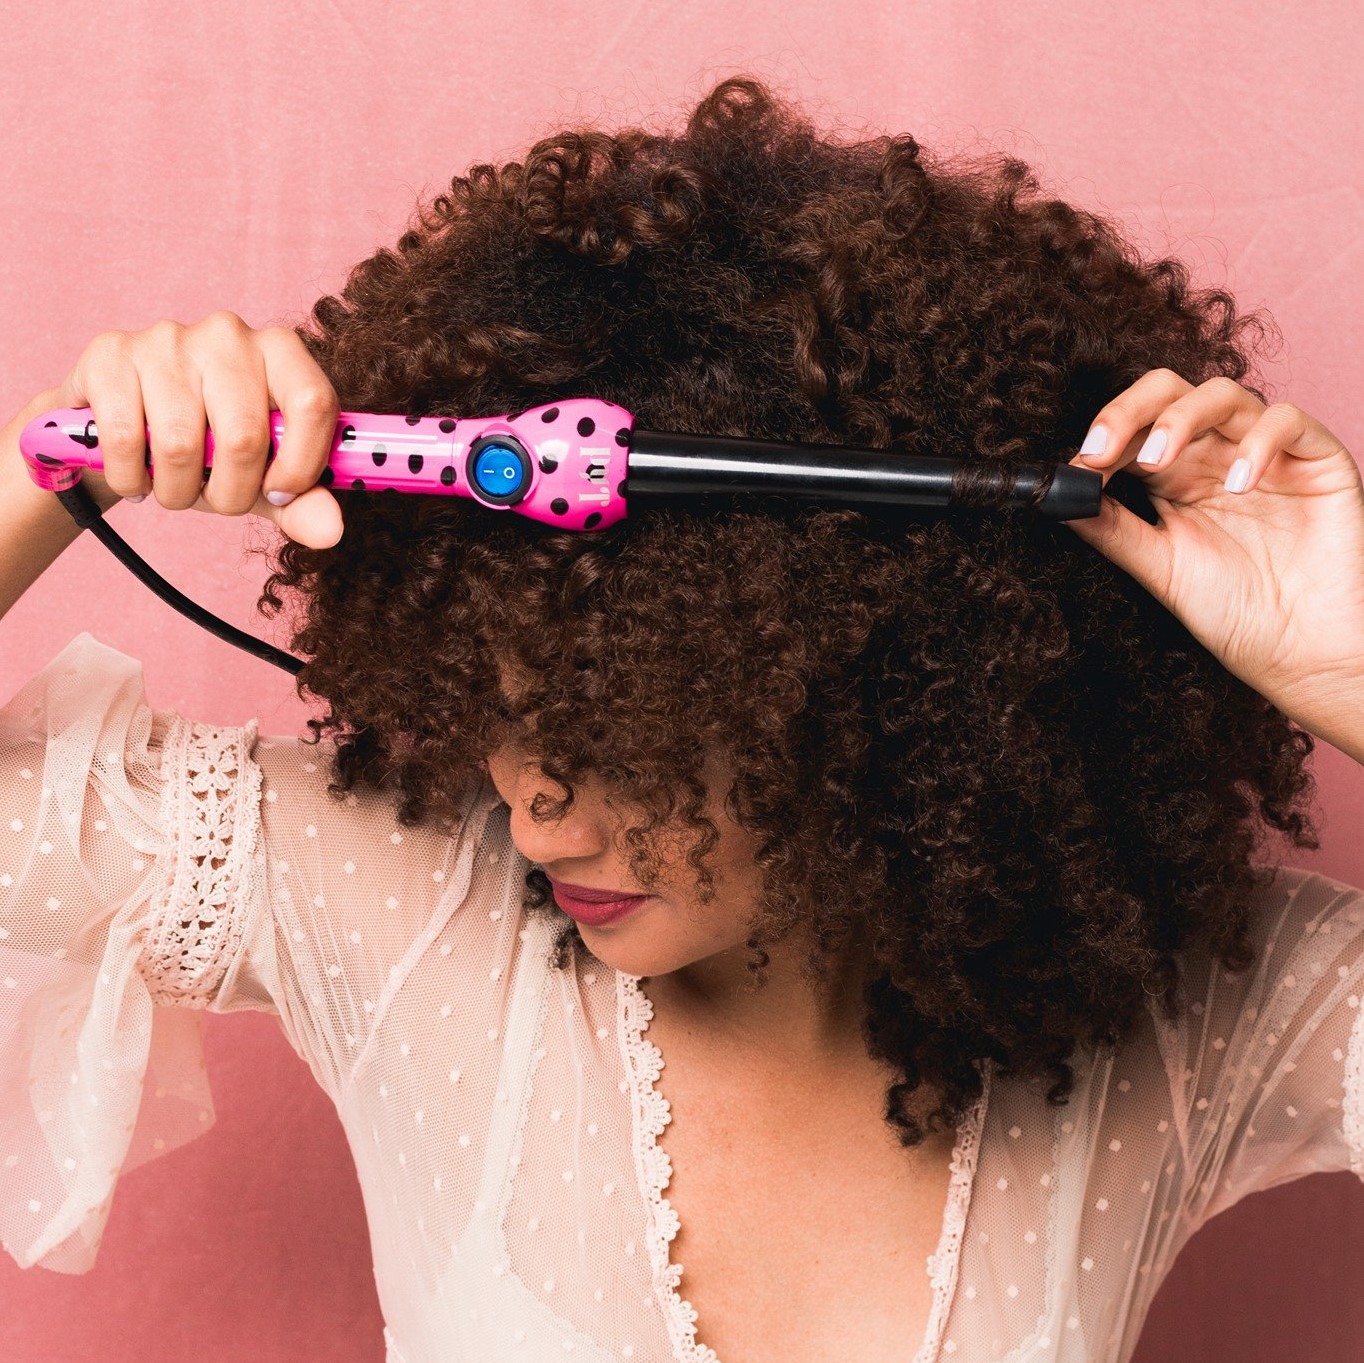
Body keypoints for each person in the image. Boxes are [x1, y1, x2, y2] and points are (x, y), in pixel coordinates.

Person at [1, 74, 1361, 1363]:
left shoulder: (1198, 1016)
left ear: (885, 686)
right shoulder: (388, 902)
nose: (538, 803)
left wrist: (1346, 660)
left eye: (627, 731)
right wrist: (67, 459)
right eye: (494, 707)